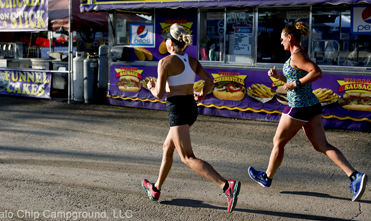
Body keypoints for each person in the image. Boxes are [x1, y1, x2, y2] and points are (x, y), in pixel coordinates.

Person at [248, 21, 367, 202]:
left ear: (290, 38)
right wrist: (279, 77)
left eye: (282, 39)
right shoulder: (297, 55)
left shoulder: (296, 56)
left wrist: (295, 83)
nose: (280, 43)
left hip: (299, 108)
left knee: (277, 141)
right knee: (322, 146)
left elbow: (316, 72)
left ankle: (267, 177)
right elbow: (295, 77)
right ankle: (354, 176)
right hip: (311, 106)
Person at [141, 23, 241, 213]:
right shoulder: (192, 61)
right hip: (190, 108)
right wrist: (201, 94)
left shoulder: (165, 62)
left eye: (165, 39)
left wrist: (150, 86)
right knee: (167, 147)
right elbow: (210, 81)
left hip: (177, 109)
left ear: (171, 43)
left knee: (187, 157)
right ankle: (156, 189)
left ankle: (226, 186)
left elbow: (159, 93)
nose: (164, 42)